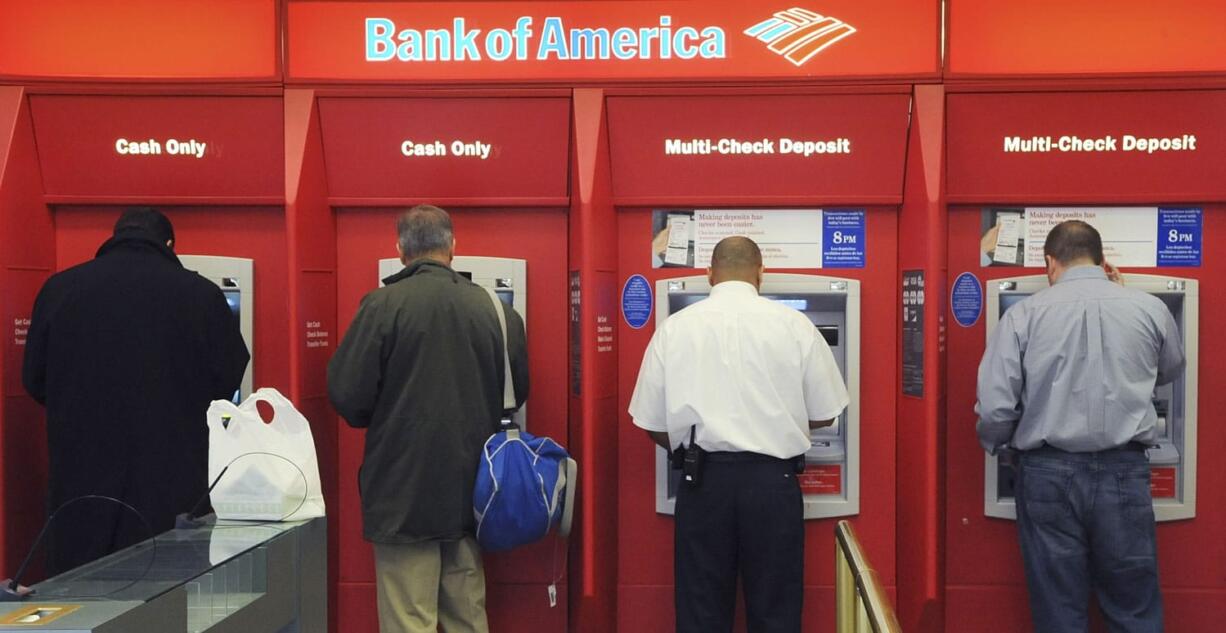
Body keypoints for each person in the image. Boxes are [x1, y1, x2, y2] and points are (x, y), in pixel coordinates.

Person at [628, 236, 849, 633]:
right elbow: (825, 413)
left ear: (709, 274)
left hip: (702, 484)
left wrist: (686, 445)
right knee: (776, 611)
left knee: (701, 612)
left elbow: (650, 422)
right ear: (761, 274)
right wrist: (783, 422)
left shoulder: (675, 328)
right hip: (773, 485)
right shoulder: (795, 325)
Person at [328, 204, 528, 633]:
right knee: (467, 616)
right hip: (476, 490)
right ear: (453, 247)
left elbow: (347, 396)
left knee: (408, 619)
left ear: (400, 249)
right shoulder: (496, 309)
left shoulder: (381, 306)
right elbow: (516, 392)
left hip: (403, 494)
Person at [976, 220, 1183, 633]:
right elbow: (1170, 370)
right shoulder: (1150, 308)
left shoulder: (1023, 317)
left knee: (1058, 610)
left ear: (1050, 262)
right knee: (1133, 608)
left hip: (1046, 474)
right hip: (1125, 471)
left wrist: (1000, 447)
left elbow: (996, 409)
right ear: (1102, 259)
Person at [22, 207, 250, 574]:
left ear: (113, 239)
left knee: (83, 590)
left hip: (81, 479)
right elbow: (228, 380)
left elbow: (34, 379)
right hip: (170, 480)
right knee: (167, 596)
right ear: (170, 244)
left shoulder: (59, 289)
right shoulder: (201, 295)